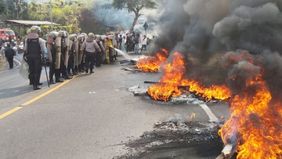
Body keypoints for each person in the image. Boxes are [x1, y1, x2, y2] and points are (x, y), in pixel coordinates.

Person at [23, 26, 46, 90]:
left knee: (32, 70)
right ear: (37, 32)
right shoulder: (40, 40)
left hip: (29, 57)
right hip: (37, 57)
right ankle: (35, 85)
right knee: (37, 70)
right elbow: (43, 50)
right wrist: (44, 57)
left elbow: (25, 49)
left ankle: (33, 82)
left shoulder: (27, 39)